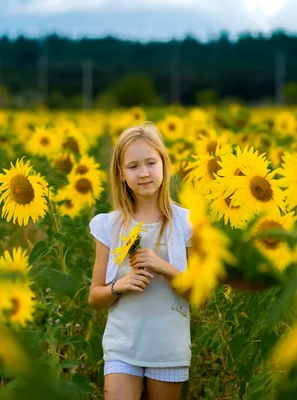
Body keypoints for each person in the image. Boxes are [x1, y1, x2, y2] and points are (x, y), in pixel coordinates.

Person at [88, 122, 193, 400]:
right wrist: (119, 285)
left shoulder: (186, 224)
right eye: (133, 166)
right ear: (121, 173)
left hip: (168, 348)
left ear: (163, 164)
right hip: (122, 347)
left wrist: (163, 267)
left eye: (150, 162)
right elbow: (95, 297)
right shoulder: (109, 226)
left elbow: (200, 295)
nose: (144, 173)